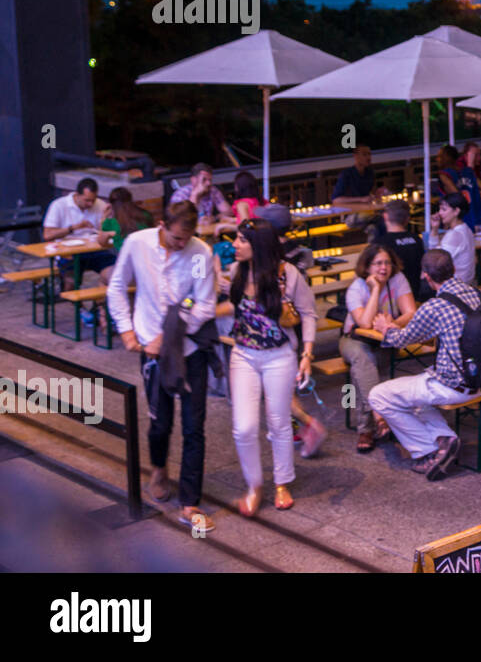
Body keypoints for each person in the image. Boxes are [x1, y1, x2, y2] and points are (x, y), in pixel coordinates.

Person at [107, 201, 219, 533]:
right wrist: (127, 331)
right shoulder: (137, 244)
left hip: (189, 347)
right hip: (151, 350)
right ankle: (158, 466)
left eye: (188, 238)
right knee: (160, 421)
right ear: (162, 225)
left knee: (193, 425)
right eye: (176, 239)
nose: (182, 245)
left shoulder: (199, 253)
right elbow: (116, 287)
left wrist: (169, 333)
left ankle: (190, 501)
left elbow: (203, 303)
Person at [367, 249, 481, 479]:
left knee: (379, 395)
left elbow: (401, 340)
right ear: (453, 270)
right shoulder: (476, 293)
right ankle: (444, 438)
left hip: (453, 386)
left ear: (425, 276)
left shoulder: (434, 307)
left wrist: (385, 328)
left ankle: (428, 450)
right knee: (414, 394)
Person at [226, 219, 316, 517]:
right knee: (243, 428)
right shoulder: (236, 271)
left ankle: (282, 482)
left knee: (278, 423)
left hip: (279, 356)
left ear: (258, 245)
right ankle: (254, 485)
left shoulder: (287, 274)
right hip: (243, 355)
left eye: (241, 240)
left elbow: (308, 314)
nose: (234, 245)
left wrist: (307, 354)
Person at [252, 202, 327, 457]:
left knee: (278, 391)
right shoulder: (298, 251)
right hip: (289, 328)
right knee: (281, 388)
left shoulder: (274, 257)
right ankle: (294, 428)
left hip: (278, 329)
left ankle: (308, 424)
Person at [339, 243, 417, 453]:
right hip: (353, 339)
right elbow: (363, 323)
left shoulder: (398, 280)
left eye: (387, 263)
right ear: (367, 266)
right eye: (378, 263)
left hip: (385, 339)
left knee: (363, 369)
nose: (384, 268)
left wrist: (393, 325)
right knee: (363, 358)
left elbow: (411, 312)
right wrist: (375, 290)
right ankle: (379, 417)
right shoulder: (357, 288)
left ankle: (366, 429)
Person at [43, 177, 115, 284]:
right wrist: (73, 228)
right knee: (71, 281)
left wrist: (105, 220)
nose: (90, 204)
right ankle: (71, 298)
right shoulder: (58, 205)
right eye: (87, 200)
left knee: (114, 272)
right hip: (68, 252)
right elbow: (47, 235)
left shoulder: (100, 205)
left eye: (93, 200)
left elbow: (108, 233)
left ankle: (100, 298)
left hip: (94, 251)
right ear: (77, 195)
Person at [375, 200, 429, 301]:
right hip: (415, 294)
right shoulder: (417, 239)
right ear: (407, 219)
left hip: (391, 298)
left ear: (385, 216)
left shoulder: (380, 244)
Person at [100, 186, 153, 281]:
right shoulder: (146, 215)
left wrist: (104, 217)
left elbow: (101, 242)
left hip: (129, 272)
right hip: (150, 269)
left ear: (111, 205)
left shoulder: (111, 223)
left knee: (103, 276)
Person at [431, 191, 476, 284]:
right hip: (467, 282)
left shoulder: (455, 235)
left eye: (443, 209)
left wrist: (434, 231)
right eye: (439, 209)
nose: (439, 213)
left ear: (456, 211)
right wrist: (435, 229)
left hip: (455, 285)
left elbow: (433, 261)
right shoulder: (466, 228)